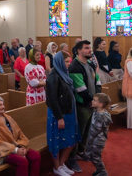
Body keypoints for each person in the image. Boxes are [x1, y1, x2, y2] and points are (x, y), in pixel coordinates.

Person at [67, 40, 101, 173]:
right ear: (78, 50)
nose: (90, 50)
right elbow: (80, 88)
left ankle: (82, 150)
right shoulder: (75, 66)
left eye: (90, 48)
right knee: (78, 131)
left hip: (92, 102)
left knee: (88, 130)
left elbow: (97, 79)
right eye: (86, 48)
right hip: (82, 104)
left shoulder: (90, 64)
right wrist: (93, 100)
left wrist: (97, 97)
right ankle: (72, 157)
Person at [0, 96, 41, 176]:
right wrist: (15, 150)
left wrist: (22, 146)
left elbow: (19, 133)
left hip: (17, 145)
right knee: (22, 161)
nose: (3, 106)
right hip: (2, 152)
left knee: (35, 155)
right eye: (0, 105)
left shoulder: (7, 117)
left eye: (3, 104)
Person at [46, 51, 80, 176]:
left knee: (71, 139)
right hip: (58, 113)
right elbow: (52, 100)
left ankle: (61, 164)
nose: (68, 64)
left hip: (68, 111)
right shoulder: (53, 76)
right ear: (60, 61)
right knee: (56, 140)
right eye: (66, 62)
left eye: (69, 62)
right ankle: (56, 167)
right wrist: (59, 118)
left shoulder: (64, 73)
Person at [79, 93, 112, 176]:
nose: (92, 101)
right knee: (94, 156)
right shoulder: (98, 112)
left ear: (100, 104)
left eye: (94, 100)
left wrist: (88, 142)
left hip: (98, 140)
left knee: (96, 157)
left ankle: (102, 172)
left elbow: (95, 131)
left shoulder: (101, 116)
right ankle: (99, 170)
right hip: (95, 139)